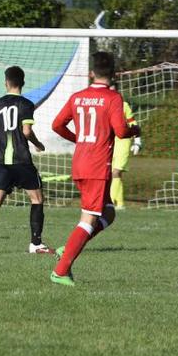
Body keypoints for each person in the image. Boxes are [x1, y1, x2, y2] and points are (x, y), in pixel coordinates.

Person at [49, 52, 140, 286]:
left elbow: (57, 125)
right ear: (114, 74)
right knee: (88, 219)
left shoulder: (77, 97)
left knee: (108, 213)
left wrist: (77, 138)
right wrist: (134, 130)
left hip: (82, 162)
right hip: (97, 166)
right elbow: (121, 131)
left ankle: (69, 248)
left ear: (91, 73)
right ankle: (60, 271)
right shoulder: (113, 98)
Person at [0, 66, 56, 255]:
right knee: (37, 199)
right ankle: (35, 244)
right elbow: (26, 131)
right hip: (21, 160)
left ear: (6, 82)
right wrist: (38, 143)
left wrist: (1, 136)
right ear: (22, 82)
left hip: (0, 161)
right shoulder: (26, 104)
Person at [109, 84, 141, 210]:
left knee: (116, 172)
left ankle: (110, 203)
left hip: (123, 142)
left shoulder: (124, 105)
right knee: (114, 174)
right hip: (110, 143)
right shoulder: (104, 104)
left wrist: (137, 141)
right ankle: (120, 203)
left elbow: (133, 123)